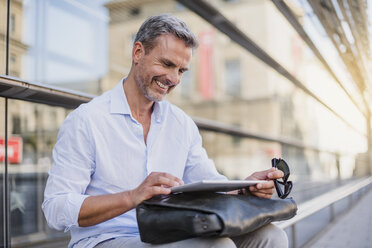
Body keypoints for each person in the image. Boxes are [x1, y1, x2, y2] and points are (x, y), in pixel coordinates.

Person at [42, 14, 288, 248]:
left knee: (271, 236)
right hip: (106, 239)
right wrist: (132, 196)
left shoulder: (181, 124)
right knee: (216, 245)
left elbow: (209, 182)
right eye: (167, 64)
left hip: (169, 232)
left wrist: (243, 187)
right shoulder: (86, 120)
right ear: (138, 52)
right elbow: (55, 208)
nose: (174, 79)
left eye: (181, 71)